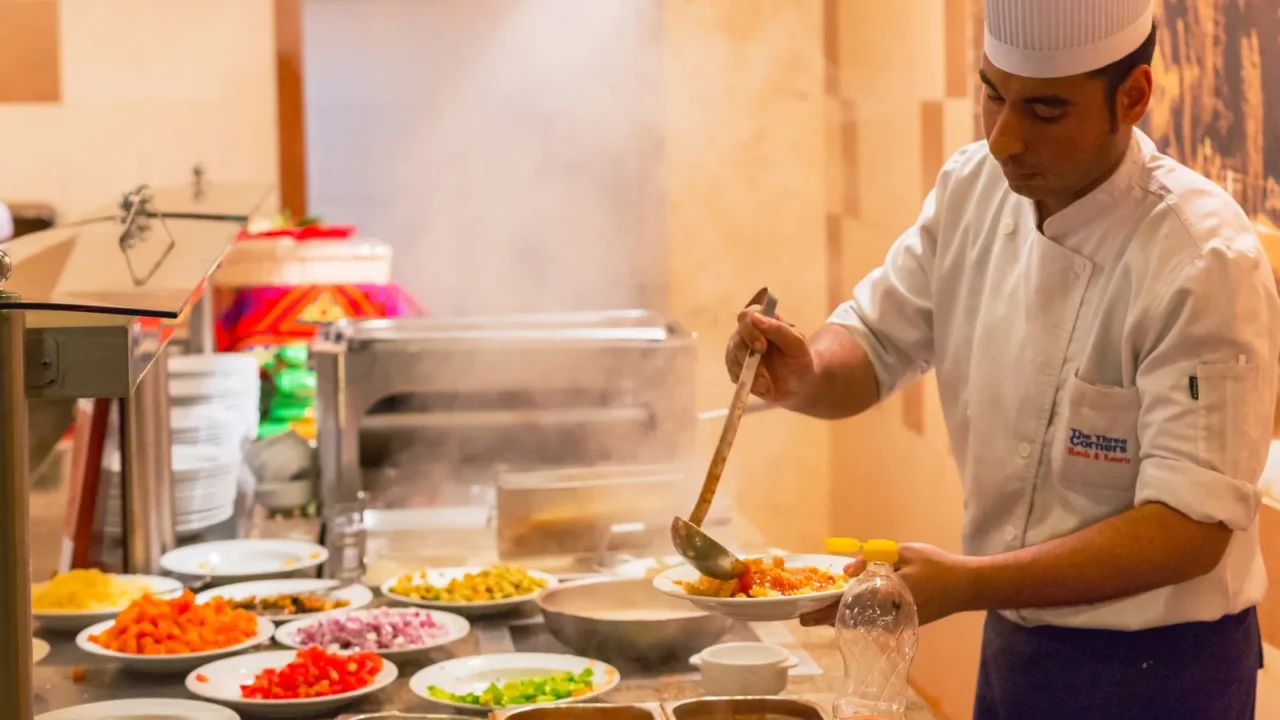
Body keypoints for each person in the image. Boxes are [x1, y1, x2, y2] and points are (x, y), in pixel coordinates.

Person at [725, 1, 1278, 718]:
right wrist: (804, 371)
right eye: (992, 93)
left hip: (1163, 672)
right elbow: (873, 339)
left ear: (1133, 97)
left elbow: (1187, 532)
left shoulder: (1202, 258)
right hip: (1016, 647)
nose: (1005, 138)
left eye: (1046, 110)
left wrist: (968, 583)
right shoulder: (972, 190)